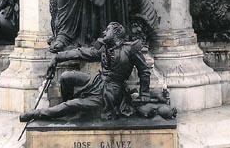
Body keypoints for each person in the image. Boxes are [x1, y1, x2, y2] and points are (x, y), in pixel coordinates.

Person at [19, 22, 151, 122]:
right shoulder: (104, 48)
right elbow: (81, 52)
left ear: (116, 32)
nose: (104, 32)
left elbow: (144, 70)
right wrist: (57, 57)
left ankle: (38, 113)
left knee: (71, 104)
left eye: (108, 30)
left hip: (111, 92)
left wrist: (144, 94)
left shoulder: (130, 49)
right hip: (97, 81)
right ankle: (70, 112)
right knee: (66, 77)